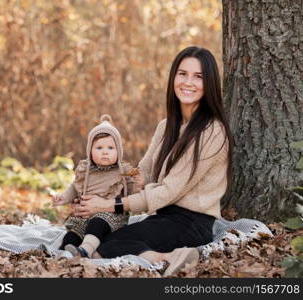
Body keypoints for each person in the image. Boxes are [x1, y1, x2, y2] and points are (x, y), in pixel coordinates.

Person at [72, 46, 233, 276]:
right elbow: (143, 170)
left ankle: (171, 259)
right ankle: (165, 257)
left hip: (193, 223)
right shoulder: (166, 126)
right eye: (182, 74)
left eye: (198, 77)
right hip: (164, 217)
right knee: (100, 238)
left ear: (209, 84)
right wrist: (94, 189)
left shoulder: (211, 131)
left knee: (109, 246)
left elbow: (168, 192)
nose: (188, 82)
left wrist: (107, 205)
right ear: (173, 78)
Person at [52, 114, 141, 258]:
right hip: (85, 216)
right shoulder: (85, 169)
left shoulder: (123, 171)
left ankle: (85, 250)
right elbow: (75, 187)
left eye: (111, 148)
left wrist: (137, 185)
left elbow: (132, 194)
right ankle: (66, 253)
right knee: (73, 234)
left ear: (119, 150)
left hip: (111, 216)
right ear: (90, 151)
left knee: (97, 224)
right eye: (99, 148)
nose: (105, 152)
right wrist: (63, 198)